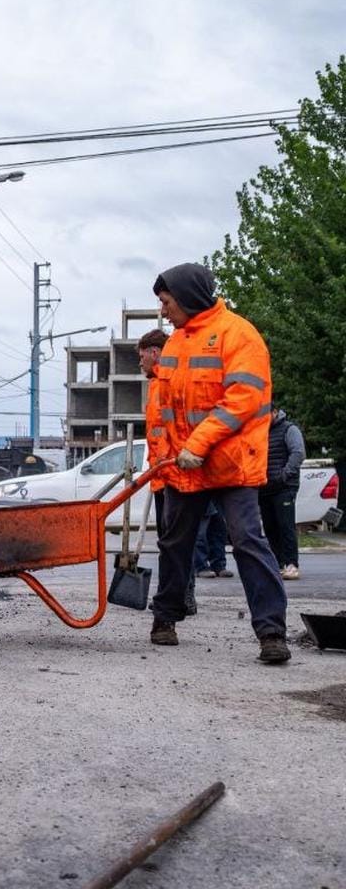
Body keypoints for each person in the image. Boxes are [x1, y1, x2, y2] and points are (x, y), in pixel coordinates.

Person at [148, 262, 290, 664]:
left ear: (188, 296)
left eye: (166, 301)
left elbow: (242, 399)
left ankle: (271, 632)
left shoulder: (239, 335)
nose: (163, 310)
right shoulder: (176, 343)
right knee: (175, 542)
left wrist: (199, 443)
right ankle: (166, 617)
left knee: (247, 540)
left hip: (229, 464)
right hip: (184, 465)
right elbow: (164, 410)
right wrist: (163, 460)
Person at [138, 328, 196, 616]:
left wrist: (165, 466)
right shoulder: (154, 384)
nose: (140, 363)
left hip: (172, 474)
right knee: (169, 541)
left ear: (155, 353)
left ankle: (183, 597)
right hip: (161, 475)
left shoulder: (168, 382)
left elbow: (173, 432)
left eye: (142, 357)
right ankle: (177, 595)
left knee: (176, 542)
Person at [259, 408, 306, 580]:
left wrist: (284, 475)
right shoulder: (259, 431)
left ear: (275, 412)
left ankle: (291, 564)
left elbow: (298, 453)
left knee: (286, 525)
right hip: (264, 486)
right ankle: (277, 563)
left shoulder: (289, 429)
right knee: (270, 527)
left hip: (284, 487)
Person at [194, 502, 233, 578]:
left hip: (216, 493)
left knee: (218, 527)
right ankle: (200, 567)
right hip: (201, 493)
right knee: (201, 530)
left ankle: (218, 565)